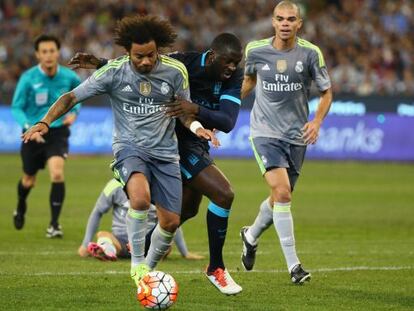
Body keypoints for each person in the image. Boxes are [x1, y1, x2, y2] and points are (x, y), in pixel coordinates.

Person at [22, 15, 218, 288]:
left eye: (151, 55)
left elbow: (182, 112)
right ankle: (137, 265)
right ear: (127, 52)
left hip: (165, 153)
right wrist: (45, 122)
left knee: (171, 222)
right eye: (139, 56)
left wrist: (197, 126)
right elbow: (70, 97)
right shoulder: (114, 71)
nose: (146, 61)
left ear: (158, 48)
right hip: (129, 148)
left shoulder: (175, 72)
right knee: (139, 198)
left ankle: (146, 271)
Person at [69, 32, 244, 295]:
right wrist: (103, 63)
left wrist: (192, 108)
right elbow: (142, 65)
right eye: (228, 62)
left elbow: (227, 122)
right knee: (223, 193)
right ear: (213, 56)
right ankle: (215, 268)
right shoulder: (183, 63)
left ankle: (135, 251)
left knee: (186, 210)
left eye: (236, 62)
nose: (232, 68)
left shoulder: (234, 76)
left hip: (197, 139)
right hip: (169, 140)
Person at [239, 1, 333, 284]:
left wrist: (316, 122)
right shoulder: (255, 51)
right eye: (280, 19)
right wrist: (224, 110)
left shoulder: (310, 53)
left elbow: (327, 93)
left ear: (299, 24)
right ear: (272, 21)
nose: (285, 24)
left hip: (296, 137)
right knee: (282, 193)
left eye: (291, 19)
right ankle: (294, 267)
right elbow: (248, 81)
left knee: (280, 197)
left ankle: (251, 235)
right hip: (264, 132)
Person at [11, 34, 82, 238]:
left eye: (52, 51)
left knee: (57, 173)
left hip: (57, 131)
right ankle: (21, 204)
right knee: (28, 180)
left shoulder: (70, 77)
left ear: (58, 53)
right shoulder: (28, 79)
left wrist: (74, 114)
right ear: (38, 55)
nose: (49, 55)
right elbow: (16, 107)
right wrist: (28, 127)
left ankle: (54, 224)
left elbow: (80, 97)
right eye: (44, 52)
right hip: (32, 132)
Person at [78, 178, 205, 261]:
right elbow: (97, 212)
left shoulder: (160, 187)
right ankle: (108, 250)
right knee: (103, 234)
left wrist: (185, 252)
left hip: (148, 243)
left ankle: (106, 248)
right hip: (120, 242)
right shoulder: (114, 185)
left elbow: (171, 221)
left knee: (166, 243)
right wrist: (84, 245)